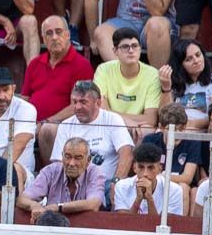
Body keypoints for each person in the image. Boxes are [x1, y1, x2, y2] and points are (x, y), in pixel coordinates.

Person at [25, 15, 96, 164]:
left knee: (48, 129)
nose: (54, 37)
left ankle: (51, 177)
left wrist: (46, 122)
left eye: (59, 32)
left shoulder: (81, 65)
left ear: (68, 35)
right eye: (49, 33)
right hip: (33, 125)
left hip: (64, 126)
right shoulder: (35, 64)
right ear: (43, 38)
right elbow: (25, 99)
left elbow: (79, 106)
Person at [49, 80, 135, 192]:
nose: (78, 107)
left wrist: (116, 182)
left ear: (98, 103)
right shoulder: (65, 125)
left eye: (83, 102)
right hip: (74, 185)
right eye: (75, 102)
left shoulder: (112, 119)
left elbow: (126, 153)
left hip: (106, 185)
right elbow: (58, 163)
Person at [94, 27, 161, 140]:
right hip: (109, 124)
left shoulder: (153, 74)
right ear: (115, 51)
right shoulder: (104, 69)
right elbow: (102, 110)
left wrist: (125, 121)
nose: (131, 50)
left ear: (140, 49)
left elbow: (151, 119)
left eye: (135, 46)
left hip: (137, 128)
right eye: (125, 47)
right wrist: (126, 121)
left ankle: (132, 158)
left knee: (147, 129)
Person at [17, 136, 104, 223]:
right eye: (67, 157)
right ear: (62, 156)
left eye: (78, 158)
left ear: (88, 160)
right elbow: (21, 199)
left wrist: (58, 207)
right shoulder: (51, 171)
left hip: (85, 227)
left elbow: (94, 204)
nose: (71, 163)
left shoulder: (95, 173)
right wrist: (34, 205)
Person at [143, 102, 203, 214]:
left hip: (179, 185)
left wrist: (164, 176)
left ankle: (181, 226)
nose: (175, 133)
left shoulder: (192, 142)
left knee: (183, 187)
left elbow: (187, 178)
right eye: (169, 129)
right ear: (161, 127)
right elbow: (144, 172)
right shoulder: (150, 141)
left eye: (179, 128)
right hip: (155, 184)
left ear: (185, 126)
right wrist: (161, 178)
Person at [112, 141, 185, 217]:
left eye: (150, 168)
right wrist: (138, 199)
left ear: (159, 168)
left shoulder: (174, 190)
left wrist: (150, 199)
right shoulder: (121, 187)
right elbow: (124, 224)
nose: (145, 174)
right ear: (134, 168)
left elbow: (168, 226)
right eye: (141, 167)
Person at [159, 38, 212, 130]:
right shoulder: (172, 83)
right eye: (188, 59)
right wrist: (166, 88)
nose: (196, 61)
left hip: (201, 131)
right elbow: (164, 115)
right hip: (174, 129)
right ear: (180, 65)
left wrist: (189, 124)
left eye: (198, 55)